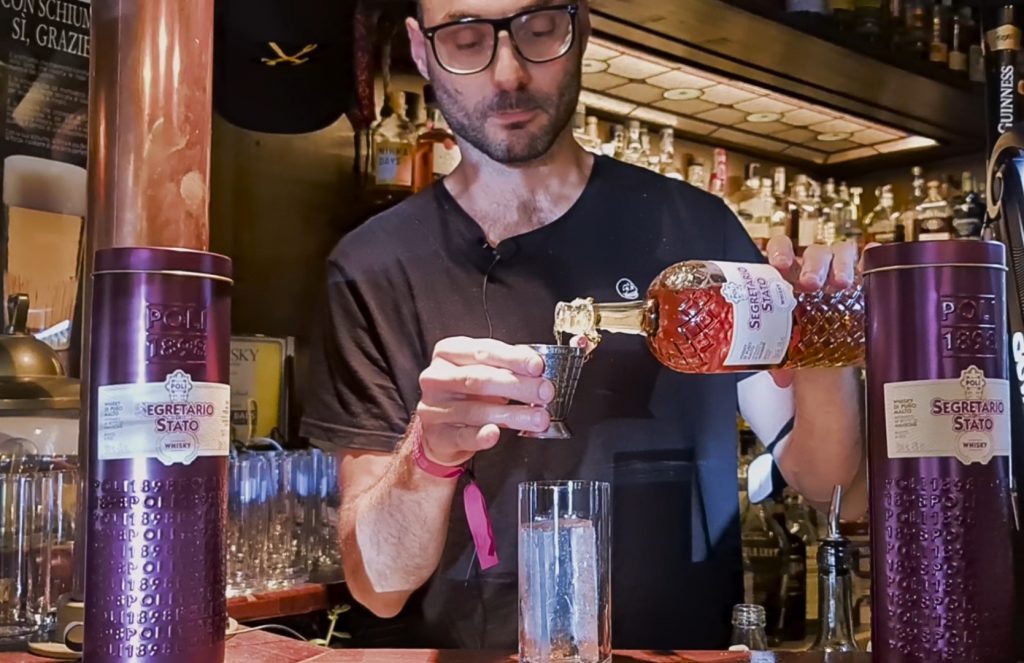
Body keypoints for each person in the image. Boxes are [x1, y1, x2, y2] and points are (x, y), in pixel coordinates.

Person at [301, 0, 866, 650]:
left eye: (538, 29)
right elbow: (379, 585)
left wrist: (823, 341)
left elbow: (834, 490)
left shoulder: (694, 229)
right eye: (465, 38)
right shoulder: (373, 267)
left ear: (581, 28)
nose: (508, 73)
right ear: (422, 51)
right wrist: (430, 452)